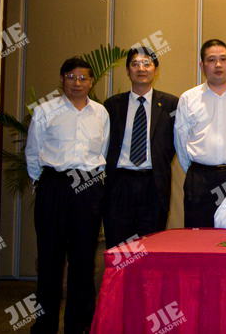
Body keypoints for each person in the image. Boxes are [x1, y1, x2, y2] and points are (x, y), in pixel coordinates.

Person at [25, 57, 110, 333]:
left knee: (83, 260)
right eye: (71, 77)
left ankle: (79, 325)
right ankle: (45, 326)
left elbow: (102, 151)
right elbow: (32, 152)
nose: (77, 83)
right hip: (55, 187)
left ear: (91, 82)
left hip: (88, 190)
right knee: (49, 260)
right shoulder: (45, 111)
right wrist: (43, 185)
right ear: (62, 79)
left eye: (83, 78)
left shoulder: (100, 113)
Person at [103, 46, 178, 249]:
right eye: (135, 64)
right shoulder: (112, 105)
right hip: (119, 184)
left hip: (153, 183)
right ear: (128, 70)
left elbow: (174, 144)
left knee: (151, 246)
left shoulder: (171, 104)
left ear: (156, 69)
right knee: (118, 246)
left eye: (147, 64)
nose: (141, 69)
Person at [174, 39, 226, 227]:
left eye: (223, 59)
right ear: (202, 65)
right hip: (199, 179)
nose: (218, 65)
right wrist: (196, 169)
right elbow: (180, 141)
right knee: (198, 234)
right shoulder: (188, 98)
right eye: (211, 60)